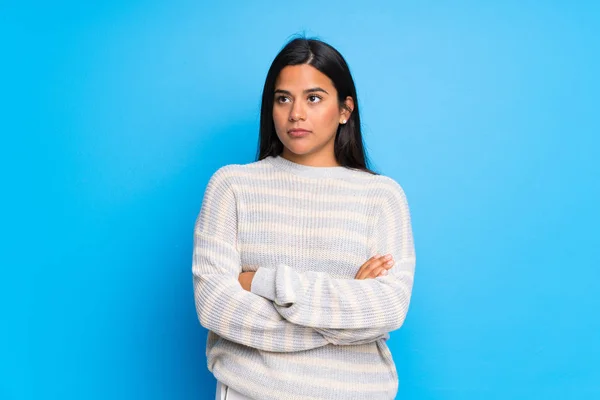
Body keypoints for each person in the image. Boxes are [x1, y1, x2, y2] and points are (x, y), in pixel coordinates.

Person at [192, 36, 416, 400]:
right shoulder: (232, 186)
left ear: (345, 110)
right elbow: (216, 307)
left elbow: (387, 308)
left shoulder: (382, 196)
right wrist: (344, 313)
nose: (296, 113)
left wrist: (264, 281)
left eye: (314, 98)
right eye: (283, 98)